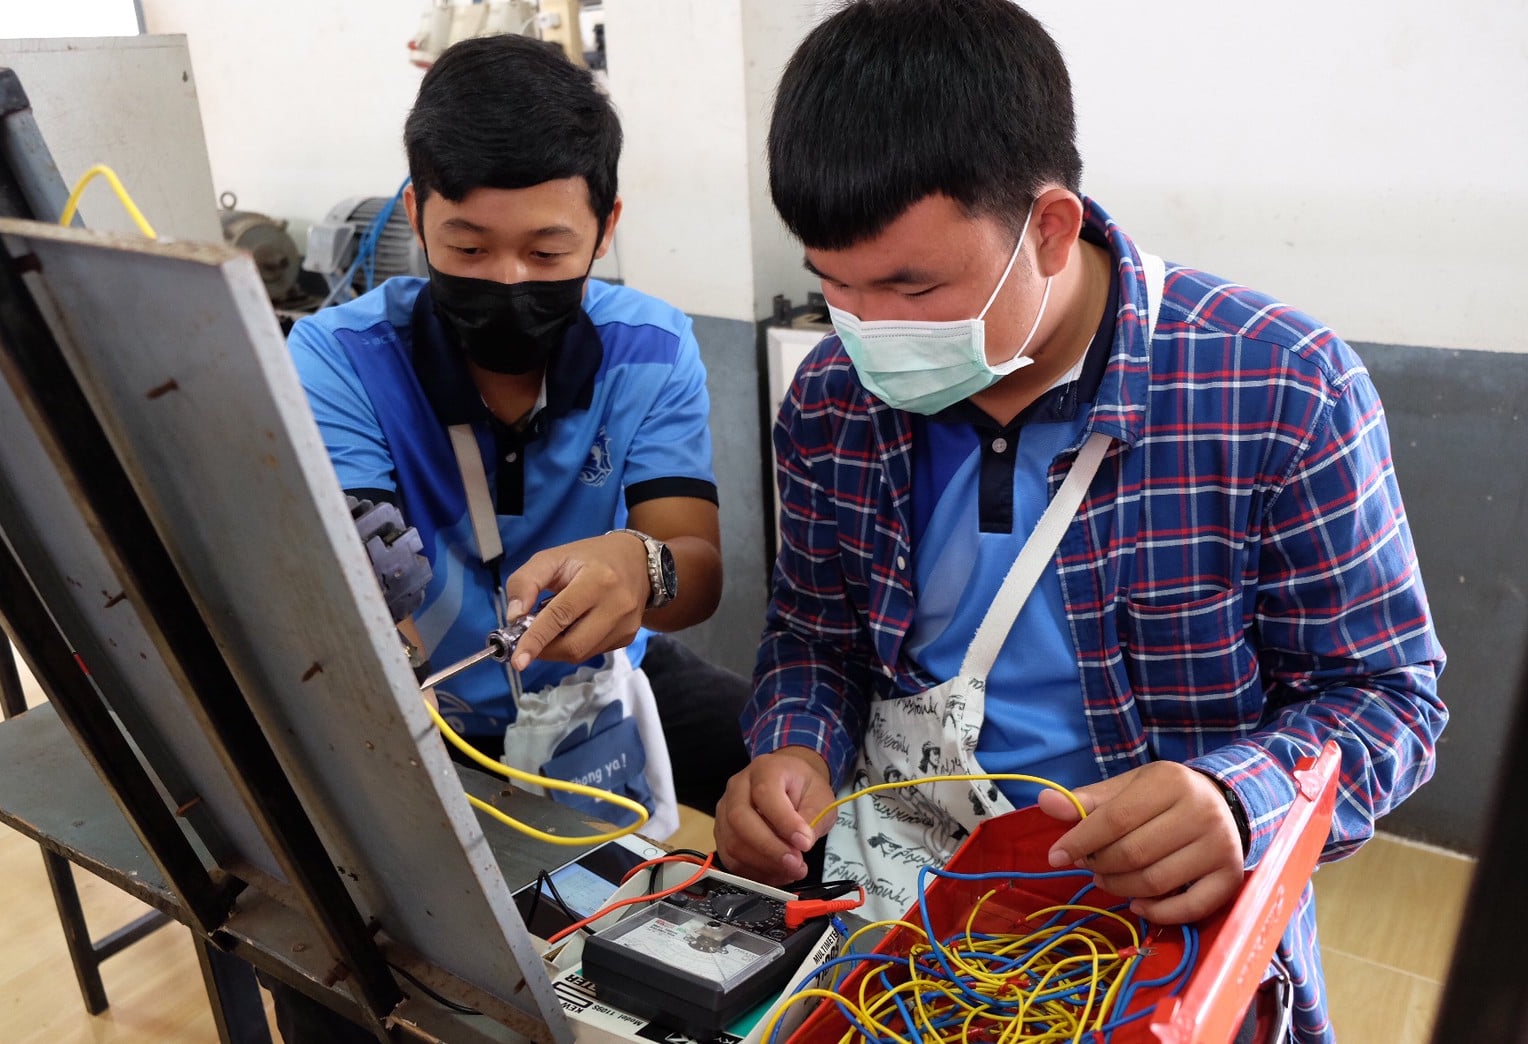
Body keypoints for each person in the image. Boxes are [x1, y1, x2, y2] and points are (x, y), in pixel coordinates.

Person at [713, 2, 1447, 1041]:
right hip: (899, 920)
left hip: (1149, 933)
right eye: (834, 286)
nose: (870, 331)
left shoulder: (1275, 385)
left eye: (911, 285)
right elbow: (813, 639)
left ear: (1048, 228)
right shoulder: (835, 401)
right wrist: (792, 748)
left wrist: (1234, 800)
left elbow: (1389, 700)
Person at [274, 33, 753, 1042]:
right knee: (329, 972)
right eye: (466, 249)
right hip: (424, 712)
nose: (505, 280)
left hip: (596, 682)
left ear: (605, 225)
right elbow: (365, 581)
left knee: (782, 773)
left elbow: (694, 568)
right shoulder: (335, 358)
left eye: (546, 252)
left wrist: (641, 563)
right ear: (414, 216)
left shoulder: (649, 346)